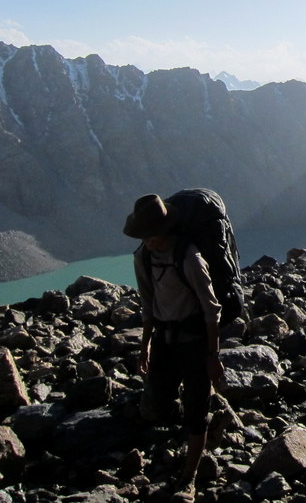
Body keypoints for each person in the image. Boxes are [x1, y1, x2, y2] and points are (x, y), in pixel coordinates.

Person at [123, 194, 224, 501]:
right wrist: (144, 348)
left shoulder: (190, 258)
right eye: (144, 236)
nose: (148, 241)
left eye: (152, 235)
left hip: (193, 343)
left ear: (166, 229)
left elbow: (212, 310)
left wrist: (213, 356)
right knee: (156, 405)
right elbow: (148, 305)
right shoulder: (143, 257)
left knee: (196, 411)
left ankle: (189, 476)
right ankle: (187, 427)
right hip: (164, 341)